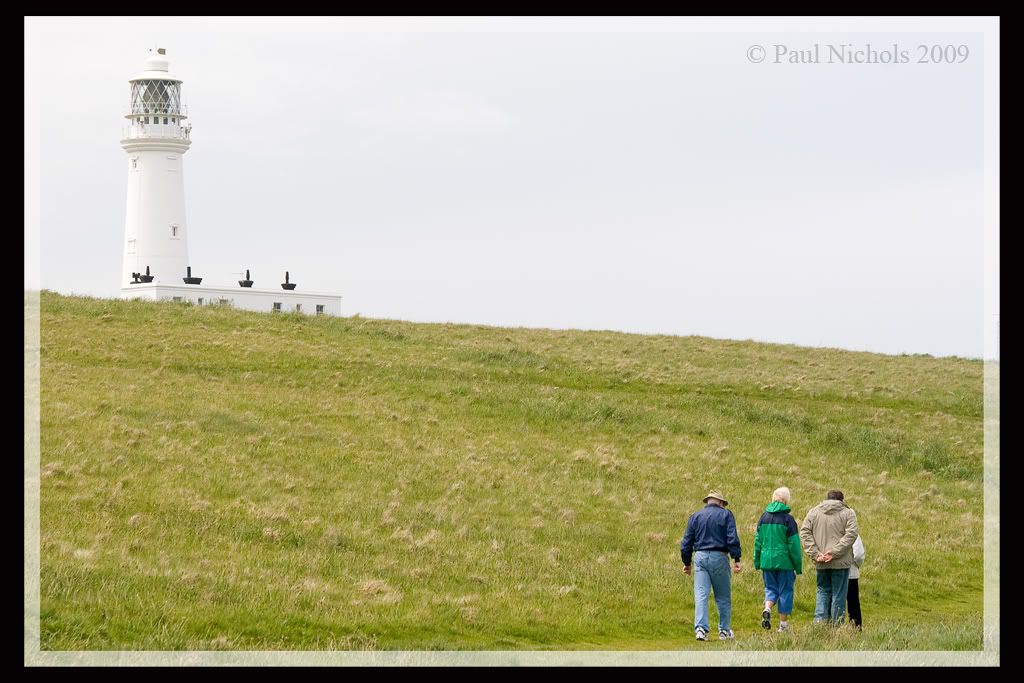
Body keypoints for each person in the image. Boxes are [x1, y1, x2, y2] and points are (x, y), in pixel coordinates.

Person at [680, 490, 742, 641]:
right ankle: (724, 631)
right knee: (723, 596)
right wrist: (736, 559)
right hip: (719, 556)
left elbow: (686, 542)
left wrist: (687, 563)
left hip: (700, 557)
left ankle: (701, 629)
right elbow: (732, 538)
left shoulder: (695, 516)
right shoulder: (726, 515)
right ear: (720, 503)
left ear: (707, 502)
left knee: (701, 594)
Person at [799, 490, 859, 624]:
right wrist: (834, 552)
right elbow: (852, 534)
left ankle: (819, 624)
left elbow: (804, 533)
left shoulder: (813, 512)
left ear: (827, 499)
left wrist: (816, 553)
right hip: (841, 561)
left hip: (821, 561)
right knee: (839, 594)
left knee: (822, 591)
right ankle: (836, 627)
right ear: (841, 500)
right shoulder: (848, 513)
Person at [753, 486, 803, 632]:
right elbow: (794, 545)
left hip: (767, 562)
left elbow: (758, 542)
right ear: (786, 501)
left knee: (770, 589)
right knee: (785, 591)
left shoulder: (763, 517)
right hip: (784, 563)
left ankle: (767, 608)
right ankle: (783, 626)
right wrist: (797, 566)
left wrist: (757, 561)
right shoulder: (789, 519)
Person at [847, 534, 865, 629]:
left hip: (833, 571)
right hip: (851, 572)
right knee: (853, 602)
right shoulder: (853, 532)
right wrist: (856, 565)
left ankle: (832, 625)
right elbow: (858, 555)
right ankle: (856, 626)